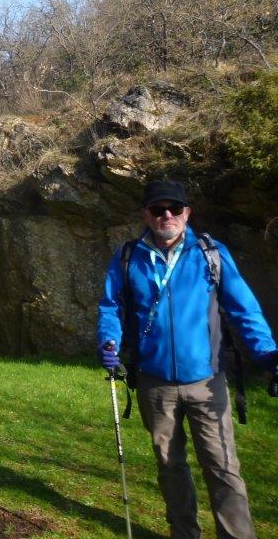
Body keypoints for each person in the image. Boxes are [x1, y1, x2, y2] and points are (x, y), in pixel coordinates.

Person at [98, 179, 278, 539]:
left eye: (175, 208)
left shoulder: (210, 254)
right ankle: (184, 533)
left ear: (187, 213)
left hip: (207, 382)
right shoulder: (128, 256)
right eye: (158, 209)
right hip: (154, 383)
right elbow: (110, 306)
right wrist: (108, 340)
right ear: (146, 215)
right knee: (170, 466)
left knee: (223, 467)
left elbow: (244, 311)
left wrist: (268, 355)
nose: (167, 215)